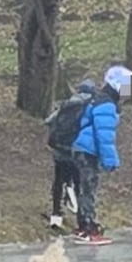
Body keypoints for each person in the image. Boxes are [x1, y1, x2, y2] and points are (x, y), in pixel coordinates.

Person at [71, 65, 132, 245]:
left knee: (85, 188)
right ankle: (88, 229)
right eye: (126, 85)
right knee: (88, 189)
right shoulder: (106, 103)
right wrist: (110, 159)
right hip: (87, 150)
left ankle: (84, 226)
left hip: (82, 148)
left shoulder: (99, 100)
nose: (128, 90)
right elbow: (104, 135)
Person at [44, 79, 94, 230]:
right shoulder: (89, 107)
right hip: (77, 151)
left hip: (59, 150)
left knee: (59, 181)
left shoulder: (67, 105)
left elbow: (48, 121)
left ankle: (56, 216)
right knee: (79, 183)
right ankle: (82, 221)